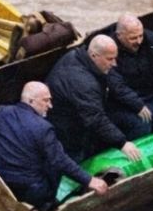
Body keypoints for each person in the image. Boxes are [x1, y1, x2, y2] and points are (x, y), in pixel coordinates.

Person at [0, 81, 109, 211]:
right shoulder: (44, 128)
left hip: (1, 184)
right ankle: (49, 205)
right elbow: (61, 161)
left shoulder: (2, 114)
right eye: (46, 100)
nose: (50, 106)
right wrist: (90, 180)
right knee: (55, 162)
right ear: (31, 101)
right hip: (32, 192)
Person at [45, 34, 143, 163]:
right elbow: (95, 117)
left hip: (79, 121)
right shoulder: (82, 82)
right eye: (110, 59)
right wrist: (122, 143)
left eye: (115, 58)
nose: (114, 64)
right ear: (93, 56)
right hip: (68, 132)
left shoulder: (80, 57)